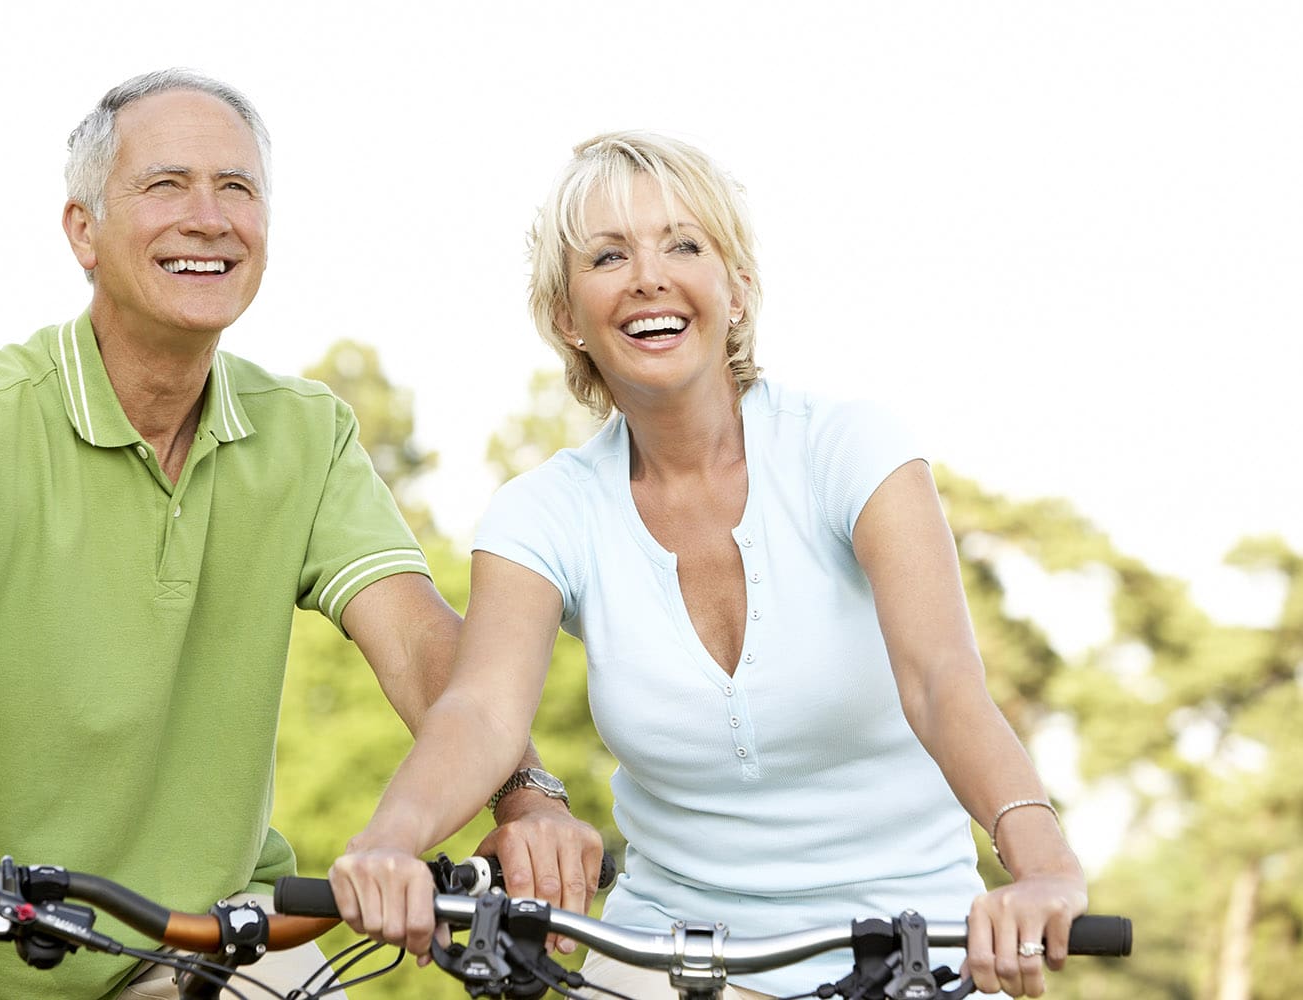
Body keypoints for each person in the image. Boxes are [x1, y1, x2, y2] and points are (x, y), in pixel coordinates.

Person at [0, 69, 596, 1000]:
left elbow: (423, 640)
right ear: (83, 231)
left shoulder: (308, 433)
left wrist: (527, 798)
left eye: (239, 189)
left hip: (202, 947)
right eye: (166, 184)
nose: (210, 217)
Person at [326, 131, 1089, 999]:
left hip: (908, 946)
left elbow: (941, 680)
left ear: (738, 290)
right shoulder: (541, 512)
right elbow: (480, 711)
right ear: (568, 317)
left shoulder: (849, 449)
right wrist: (386, 843)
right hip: (668, 955)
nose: (649, 276)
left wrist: (1043, 866)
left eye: (683, 245)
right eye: (609, 255)